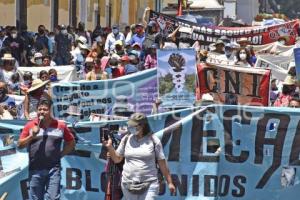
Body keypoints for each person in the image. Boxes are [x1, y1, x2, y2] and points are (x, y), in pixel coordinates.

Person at [102, 112, 176, 200]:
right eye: (130, 125)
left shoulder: (154, 140)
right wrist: (109, 147)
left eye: (134, 125)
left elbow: (162, 163)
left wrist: (170, 182)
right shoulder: (126, 139)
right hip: (128, 184)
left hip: (149, 184)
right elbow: (117, 159)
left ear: (142, 126)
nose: (130, 127)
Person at [18, 99, 75, 200]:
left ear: (51, 110)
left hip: (53, 169)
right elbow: (20, 145)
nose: (42, 112)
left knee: (53, 198)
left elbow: (71, 143)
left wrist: (60, 155)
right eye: (40, 109)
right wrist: (32, 136)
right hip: (35, 169)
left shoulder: (60, 125)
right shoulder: (29, 125)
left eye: (45, 109)